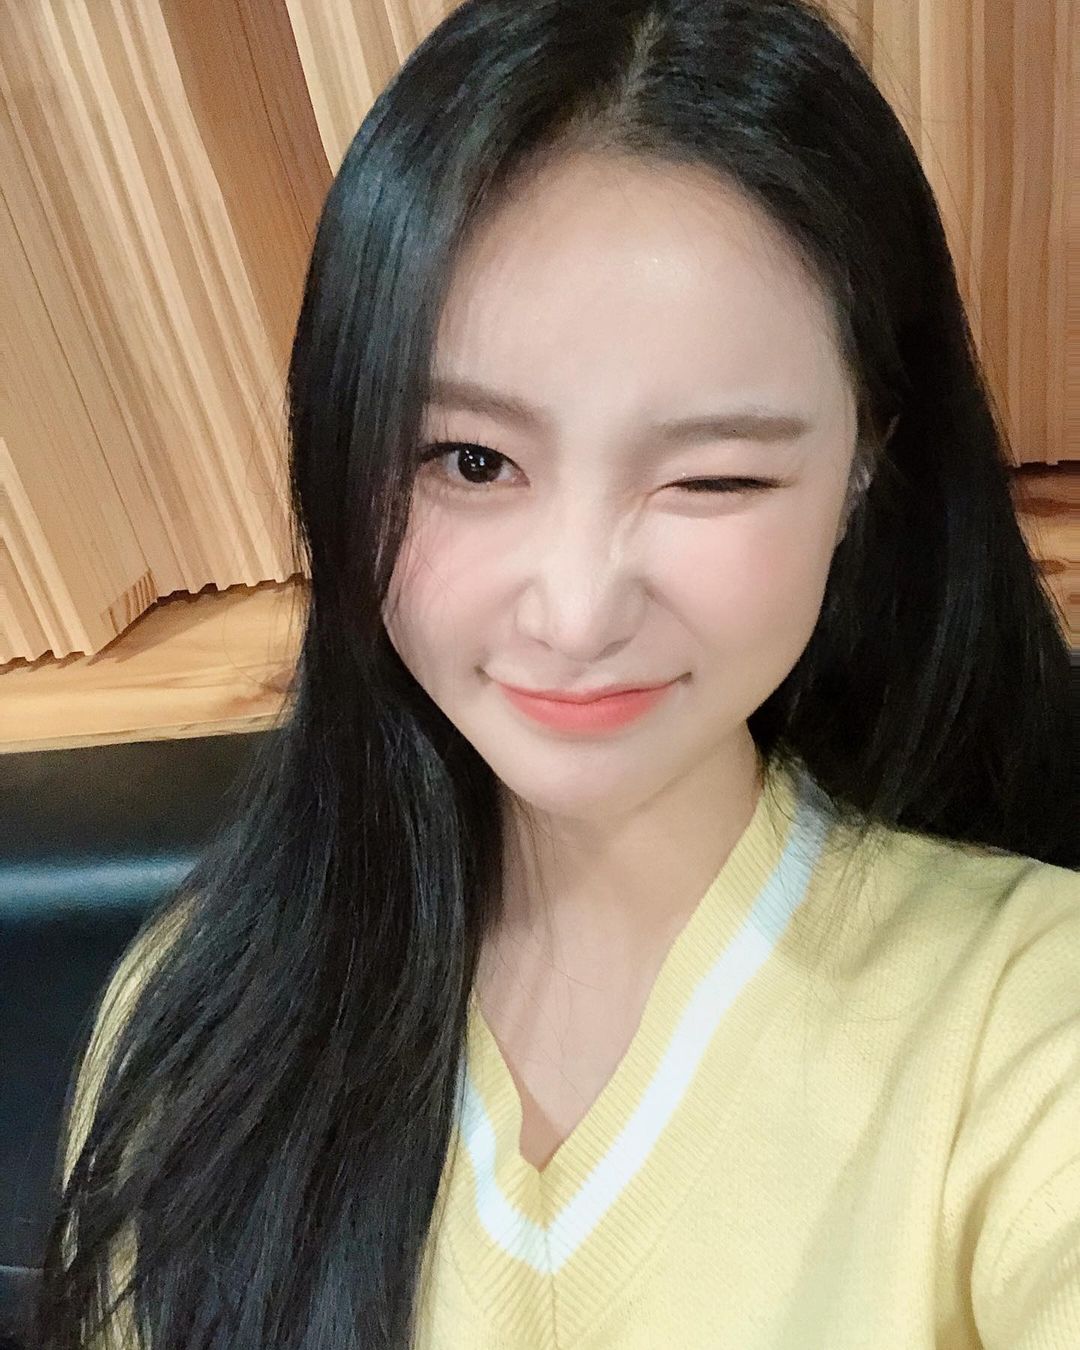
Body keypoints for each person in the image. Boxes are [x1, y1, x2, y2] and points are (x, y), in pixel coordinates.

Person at [38, 1, 1077, 1347]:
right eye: (470, 462)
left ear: (864, 464)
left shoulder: (1023, 1019)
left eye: (714, 476)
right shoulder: (192, 1025)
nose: (578, 611)